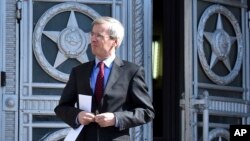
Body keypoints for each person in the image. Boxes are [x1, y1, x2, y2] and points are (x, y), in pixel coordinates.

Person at [54, 16, 155, 141]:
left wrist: (116, 119)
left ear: (115, 41)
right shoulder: (79, 72)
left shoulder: (132, 72)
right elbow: (62, 107)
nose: (93, 39)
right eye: (92, 34)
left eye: (99, 36)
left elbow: (146, 112)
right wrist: (77, 116)